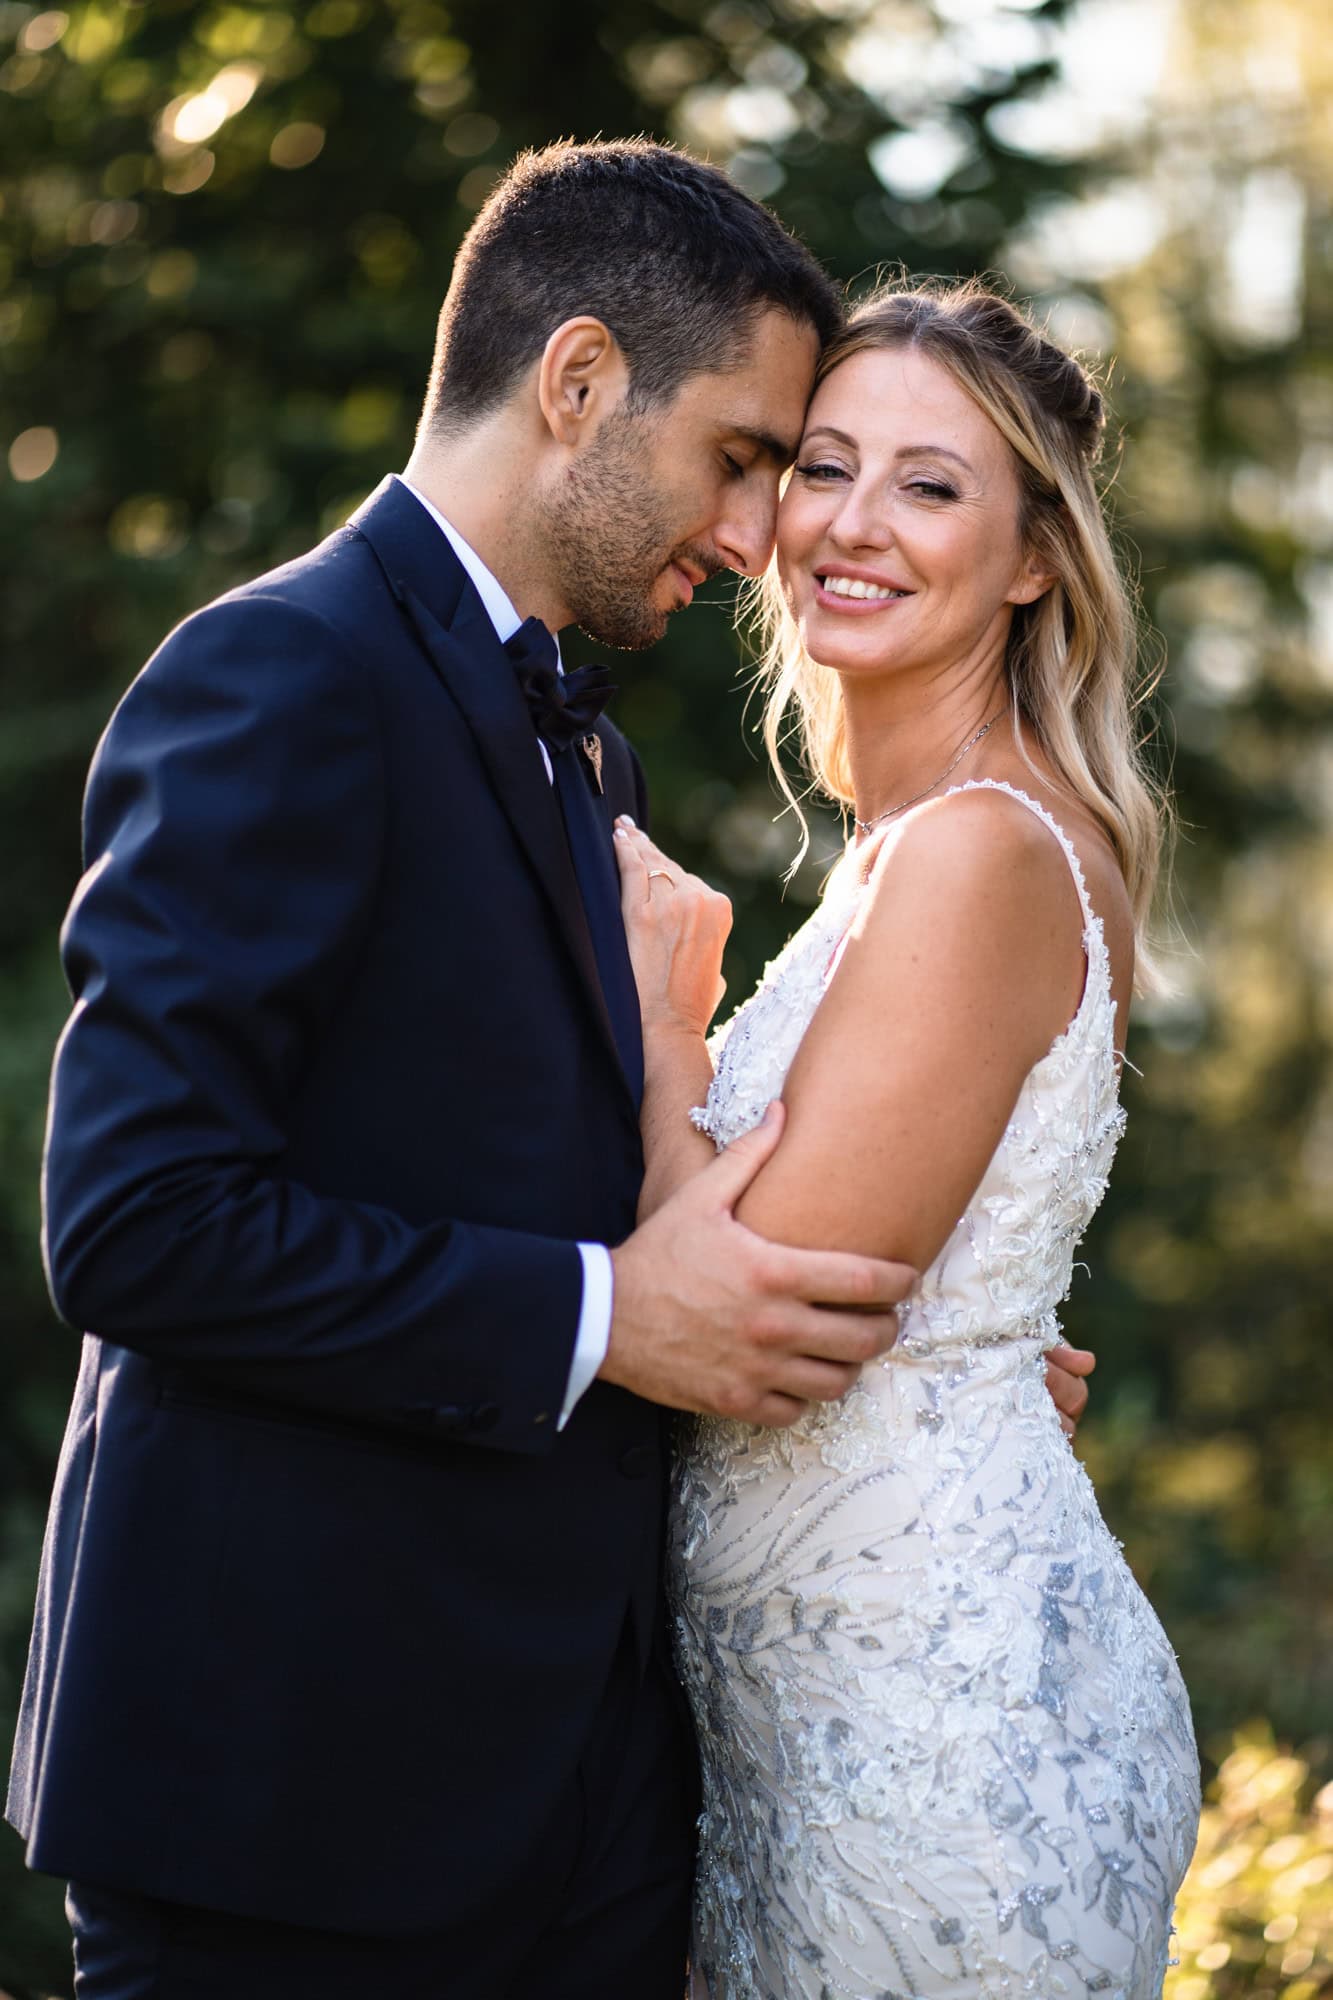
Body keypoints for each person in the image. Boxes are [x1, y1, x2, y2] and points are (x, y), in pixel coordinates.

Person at [6, 143, 1093, 1998]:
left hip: (590, 1798)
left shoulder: (586, 756)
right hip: (293, 1800)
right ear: (579, 382)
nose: (762, 535)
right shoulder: (275, 675)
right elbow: (139, 1226)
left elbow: (599, 1196)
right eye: (752, 456)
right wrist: (598, 1319)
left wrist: (936, 1366)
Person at [613, 280, 1200, 1997]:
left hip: (936, 1740)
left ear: (1032, 557)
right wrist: (960, 1351)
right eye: (823, 464)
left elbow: (749, 1322)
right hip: (814, 1717)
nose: (850, 525)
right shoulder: (908, 850)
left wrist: (662, 1025)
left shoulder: (977, 854)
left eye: (929, 486)